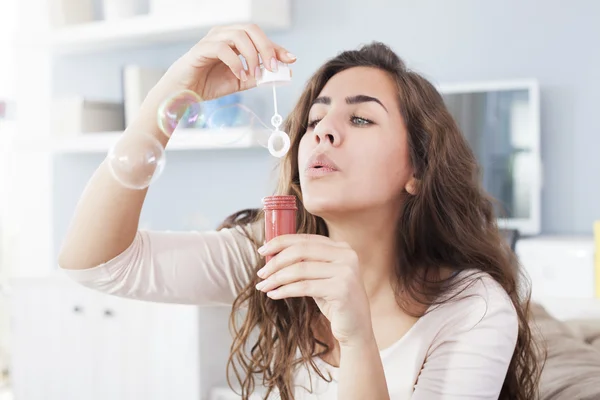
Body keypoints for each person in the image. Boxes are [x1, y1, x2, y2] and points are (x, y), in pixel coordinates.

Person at [58, 24, 542, 400]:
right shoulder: (269, 255)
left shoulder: (472, 310)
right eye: (314, 119)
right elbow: (96, 264)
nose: (322, 132)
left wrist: (356, 337)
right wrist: (174, 87)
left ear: (417, 169)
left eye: (359, 117)